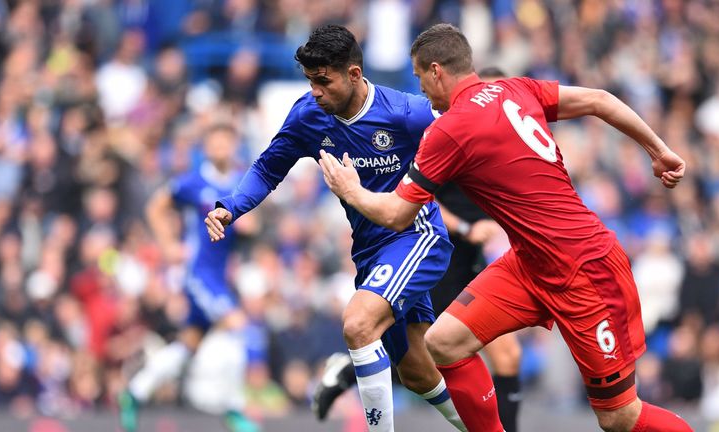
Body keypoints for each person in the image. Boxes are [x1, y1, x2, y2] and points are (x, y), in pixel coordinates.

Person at [318, 23, 693, 432]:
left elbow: (395, 214)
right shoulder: (516, 88)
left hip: (584, 268)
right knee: (443, 342)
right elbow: (598, 99)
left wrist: (350, 190)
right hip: (529, 263)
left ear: (436, 71)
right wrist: (659, 150)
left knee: (619, 417)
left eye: (419, 76)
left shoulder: (449, 129)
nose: (420, 88)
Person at [204, 25, 465, 432]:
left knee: (358, 323)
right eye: (310, 81)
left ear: (355, 74)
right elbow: (268, 168)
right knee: (416, 371)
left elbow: (465, 134)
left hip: (416, 236)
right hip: (369, 251)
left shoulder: (406, 113)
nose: (316, 92)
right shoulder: (308, 116)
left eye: (323, 81)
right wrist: (231, 207)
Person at [310, 68, 523, 431]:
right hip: (434, 254)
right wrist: (467, 227)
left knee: (496, 355)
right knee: (422, 354)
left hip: (472, 261)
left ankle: (348, 367)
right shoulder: (444, 132)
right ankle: (348, 368)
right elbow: (423, 196)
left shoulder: (500, 141)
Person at [118, 124, 259, 432]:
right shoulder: (193, 182)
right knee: (238, 327)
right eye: (215, 143)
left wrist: (249, 227)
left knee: (189, 344)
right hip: (199, 273)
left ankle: (135, 392)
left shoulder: (241, 182)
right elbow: (156, 207)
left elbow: (253, 225)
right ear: (206, 148)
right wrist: (168, 245)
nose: (220, 148)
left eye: (226, 142)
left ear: (235, 146)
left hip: (219, 275)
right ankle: (234, 409)